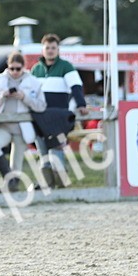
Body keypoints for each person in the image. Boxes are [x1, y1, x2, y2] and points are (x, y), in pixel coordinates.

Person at [31, 33, 89, 187]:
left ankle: (62, 184)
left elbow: (76, 87)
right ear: (43, 50)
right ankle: (46, 184)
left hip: (58, 118)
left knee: (57, 150)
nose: (50, 50)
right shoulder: (36, 70)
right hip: (40, 118)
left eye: (53, 48)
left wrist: (81, 104)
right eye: (47, 48)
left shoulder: (66, 66)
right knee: (43, 152)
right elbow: (30, 92)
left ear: (58, 49)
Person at [0, 51, 46, 192]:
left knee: (16, 163)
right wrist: (2, 96)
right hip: (3, 126)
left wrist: (24, 97)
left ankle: (11, 187)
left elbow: (41, 106)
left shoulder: (33, 81)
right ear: (8, 66)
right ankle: (10, 179)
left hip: (22, 128)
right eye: (11, 68)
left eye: (18, 69)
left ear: (24, 67)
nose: (14, 72)